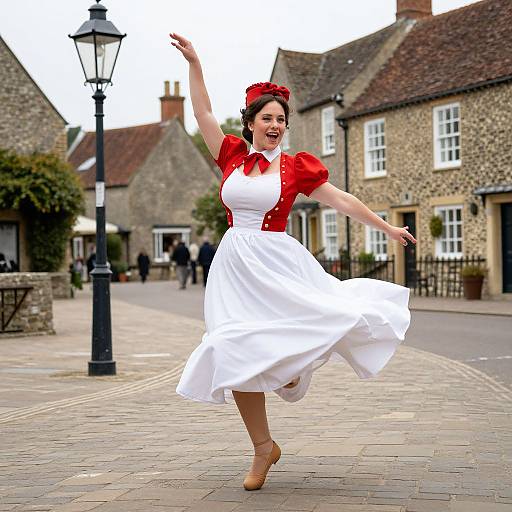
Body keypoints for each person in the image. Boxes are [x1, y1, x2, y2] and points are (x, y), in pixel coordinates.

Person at [170, 33, 416, 492]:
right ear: (251, 123)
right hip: (233, 266)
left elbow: (340, 199)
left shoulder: (295, 167)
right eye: (267, 118)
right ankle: (263, 446)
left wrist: (385, 227)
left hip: (276, 261)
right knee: (228, 347)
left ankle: (291, 367)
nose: (276, 125)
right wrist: (196, 63)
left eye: (281, 119)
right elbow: (202, 113)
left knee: (322, 319)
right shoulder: (230, 155)